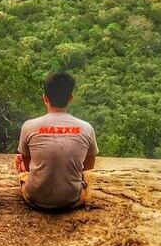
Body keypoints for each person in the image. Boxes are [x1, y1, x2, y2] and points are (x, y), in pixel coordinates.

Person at [14, 71, 98, 211]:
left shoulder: (28, 126)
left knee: (22, 172)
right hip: (72, 199)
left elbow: (29, 167)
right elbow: (88, 166)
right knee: (86, 187)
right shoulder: (86, 128)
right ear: (71, 97)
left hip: (36, 198)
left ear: (45, 98)